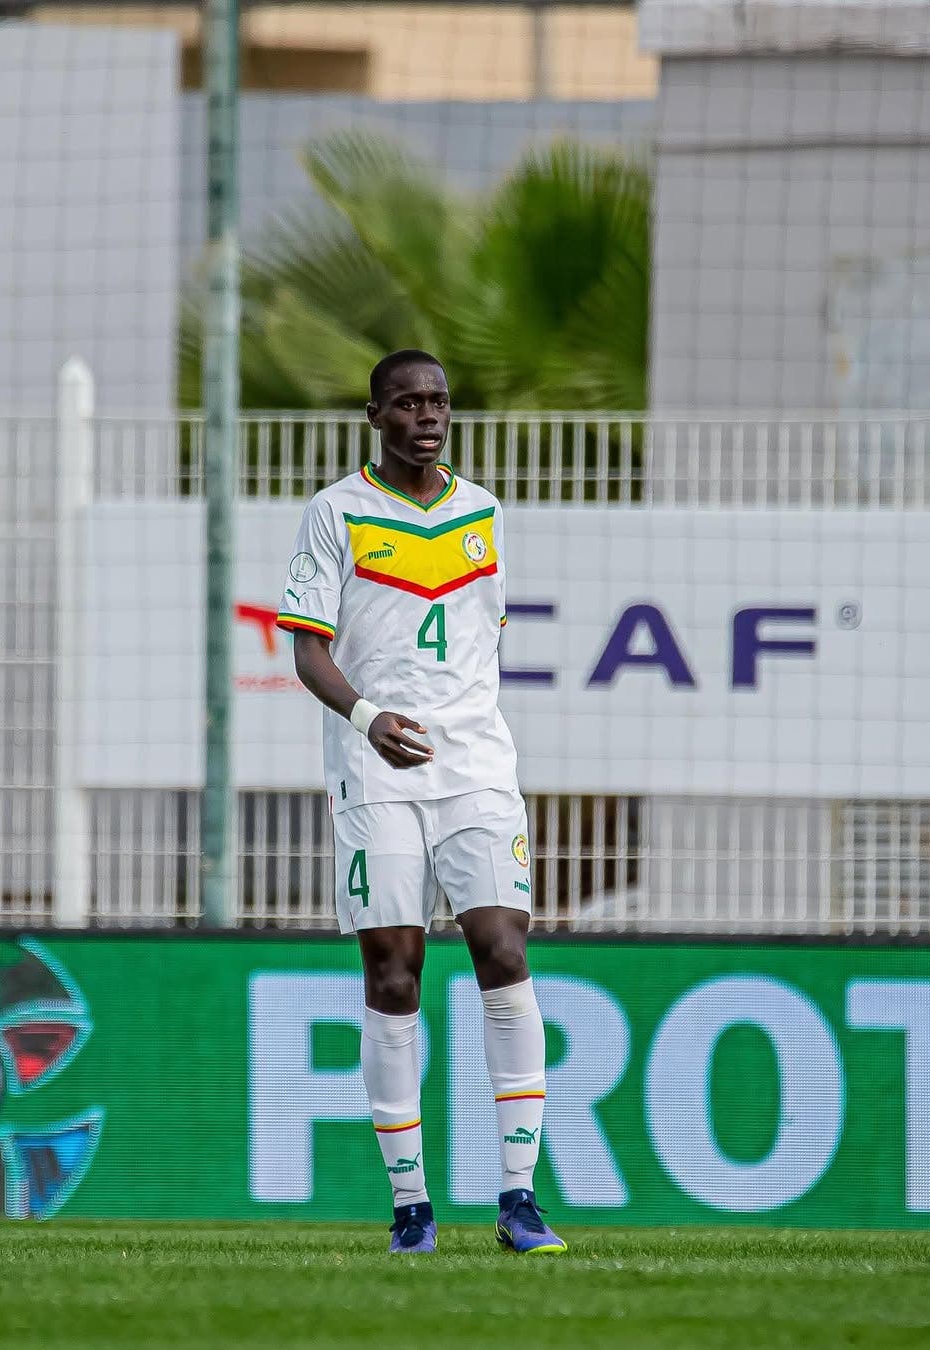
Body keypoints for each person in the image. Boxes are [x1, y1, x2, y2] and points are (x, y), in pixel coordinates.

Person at [276, 350, 565, 1256]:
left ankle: (519, 1200)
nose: (427, 416)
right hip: (378, 769)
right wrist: (366, 717)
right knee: (394, 970)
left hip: (476, 763)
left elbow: (479, 643)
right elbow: (308, 652)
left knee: (503, 950)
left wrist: (458, 720)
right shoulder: (336, 513)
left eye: (438, 401)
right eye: (408, 403)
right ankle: (412, 1210)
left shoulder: (484, 512)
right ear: (376, 417)